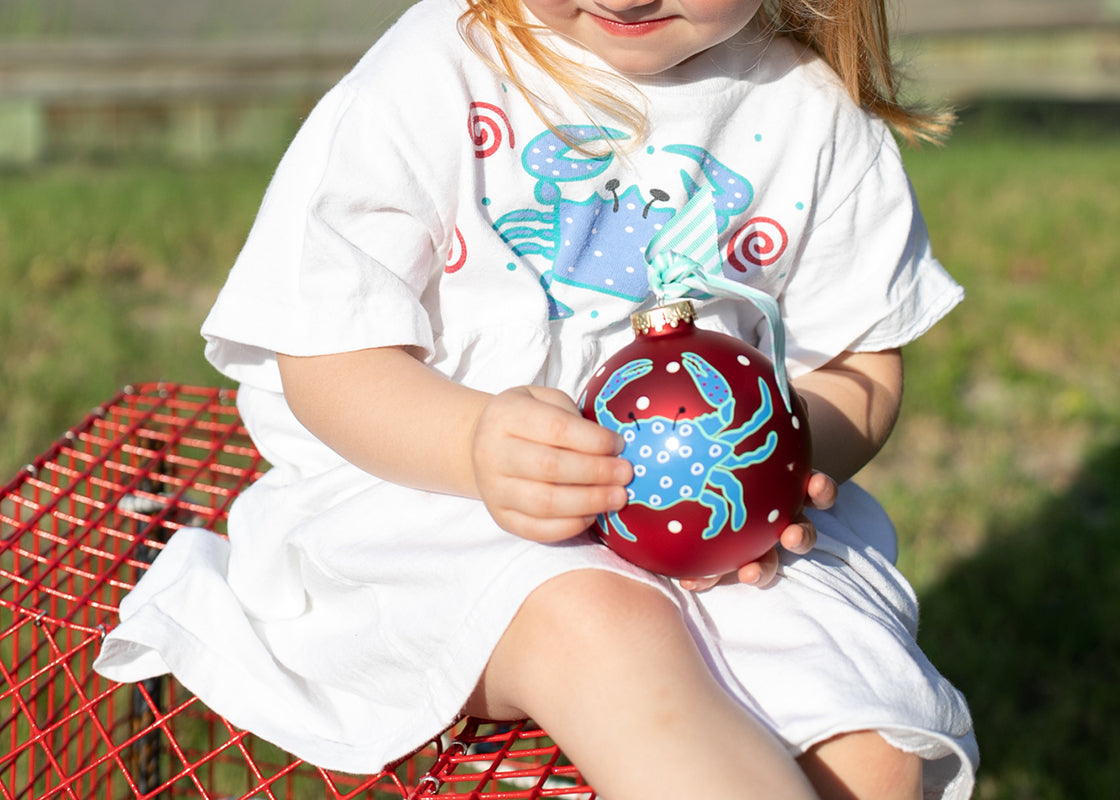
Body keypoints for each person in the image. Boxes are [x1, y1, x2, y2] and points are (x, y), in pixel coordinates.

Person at [94, 0, 980, 797]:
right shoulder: (437, 68)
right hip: (444, 505)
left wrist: (779, 461)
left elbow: (858, 364)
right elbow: (329, 354)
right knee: (605, 623)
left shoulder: (810, 111)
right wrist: (474, 440)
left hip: (723, 541)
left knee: (868, 750)